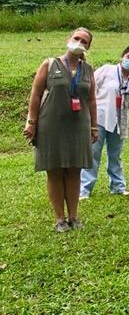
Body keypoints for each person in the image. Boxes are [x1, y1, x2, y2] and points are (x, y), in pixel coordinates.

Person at [23, 28, 97, 232]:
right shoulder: (49, 64)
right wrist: (32, 121)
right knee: (54, 171)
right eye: (76, 38)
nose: (79, 42)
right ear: (68, 39)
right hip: (51, 126)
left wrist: (93, 126)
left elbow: (91, 100)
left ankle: (74, 217)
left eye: (84, 41)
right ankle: (60, 219)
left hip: (79, 126)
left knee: (75, 171)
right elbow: (36, 94)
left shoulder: (88, 69)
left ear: (88, 47)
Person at [80, 45, 129, 198]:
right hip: (100, 118)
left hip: (120, 121)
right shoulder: (107, 70)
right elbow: (90, 88)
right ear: (122, 57)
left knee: (115, 155)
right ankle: (84, 190)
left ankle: (118, 187)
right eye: (128, 57)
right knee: (93, 153)